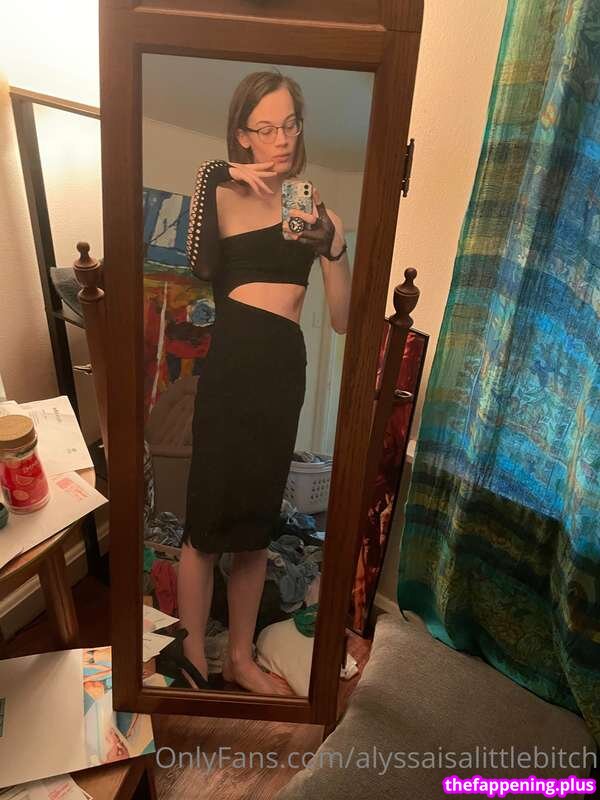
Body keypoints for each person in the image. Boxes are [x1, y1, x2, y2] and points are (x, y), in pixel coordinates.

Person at [176, 69, 352, 695]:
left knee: (254, 530)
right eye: (266, 128)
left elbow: (342, 319)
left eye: (290, 126)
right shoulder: (221, 195)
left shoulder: (319, 214)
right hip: (231, 368)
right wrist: (212, 174)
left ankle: (240, 658)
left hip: (281, 371)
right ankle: (192, 657)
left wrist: (334, 247)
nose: (281, 140)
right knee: (205, 525)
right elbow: (198, 264)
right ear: (244, 134)